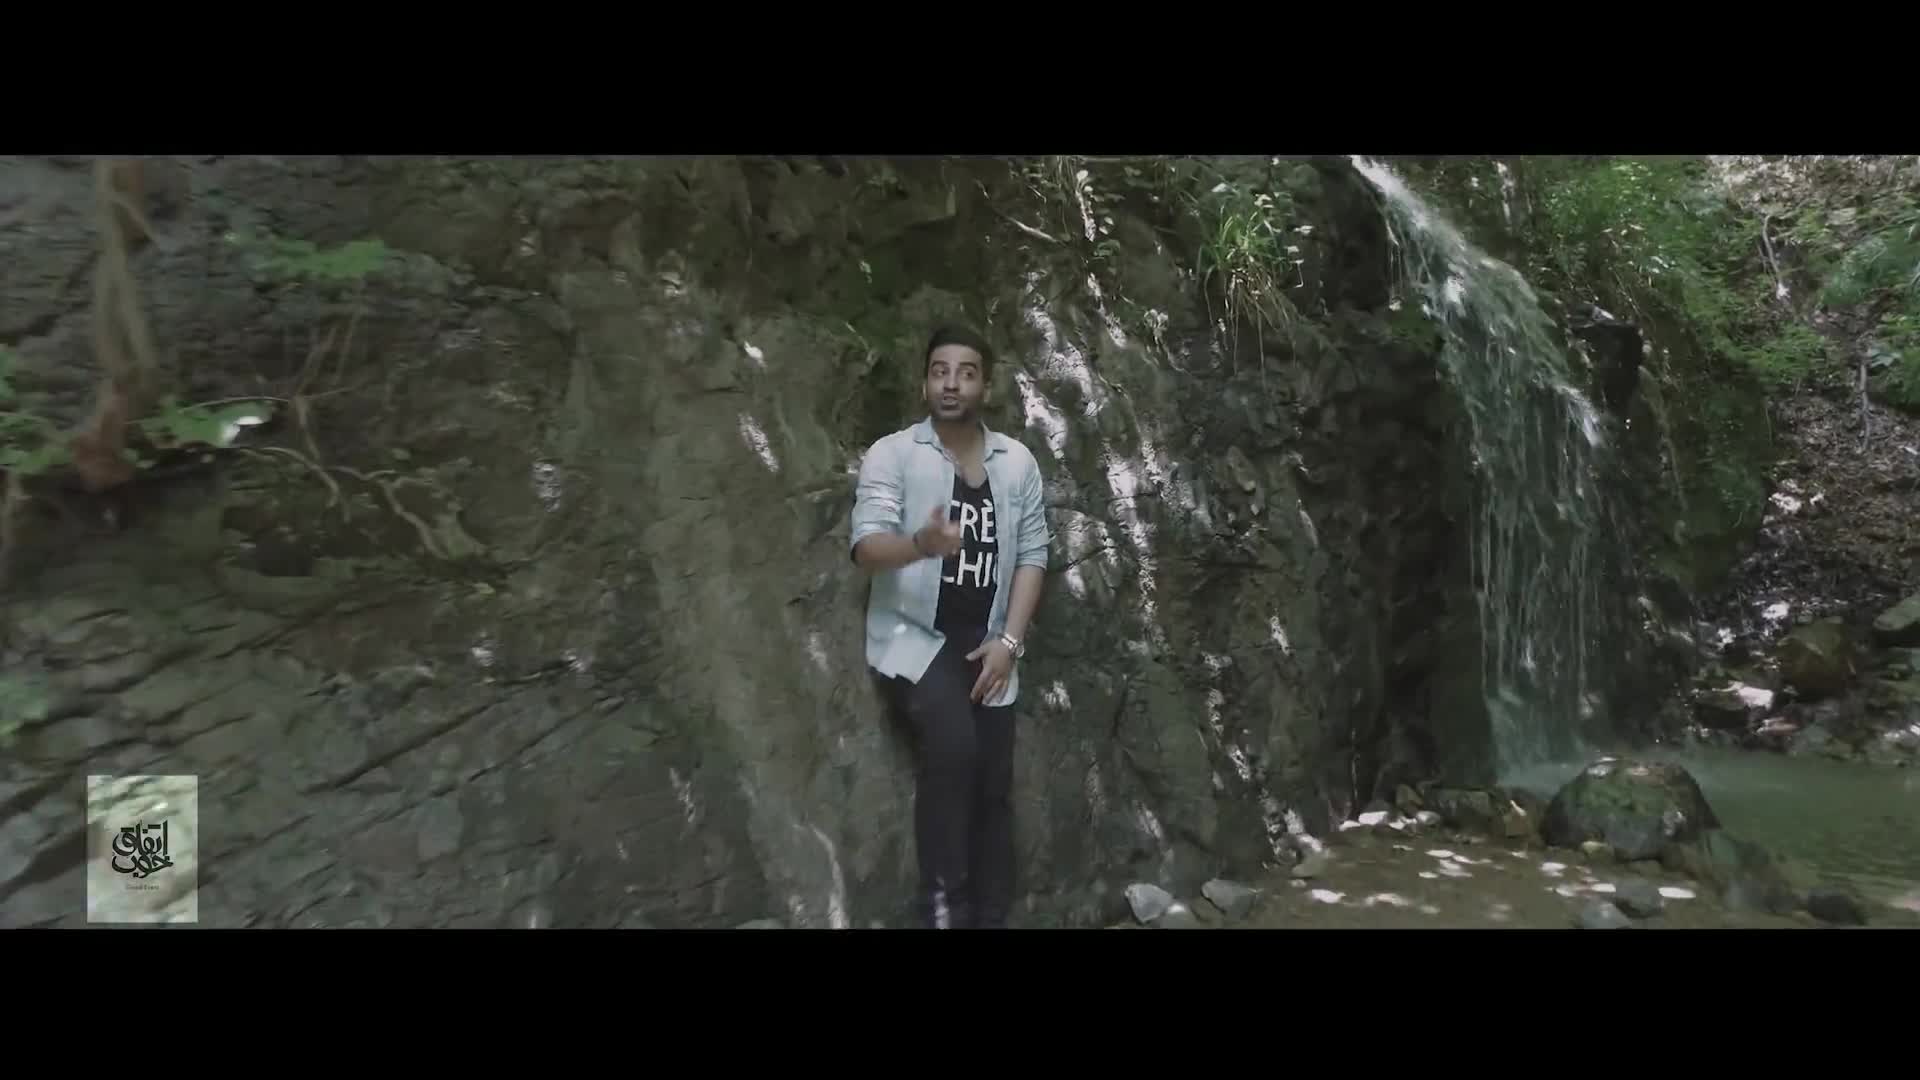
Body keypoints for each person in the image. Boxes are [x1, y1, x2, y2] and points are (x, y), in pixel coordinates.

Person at [849, 324, 1052, 929]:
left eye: (966, 372)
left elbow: (1033, 554)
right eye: (940, 371)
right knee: (955, 748)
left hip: (988, 641)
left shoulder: (1016, 462)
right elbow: (866, 547)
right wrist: (920, 544)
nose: (951, 384)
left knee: (993, 781)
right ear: (924, 384)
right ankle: (943, 911)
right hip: (914, 638)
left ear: (985, 386)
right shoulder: (893, 454)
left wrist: (1009, 643)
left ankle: (991, 914)